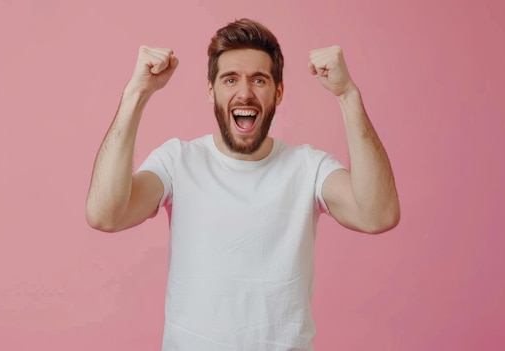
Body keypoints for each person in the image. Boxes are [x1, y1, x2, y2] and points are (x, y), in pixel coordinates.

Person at [86, 18, 399, 351]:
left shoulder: (308, 167)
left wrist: (347, 94)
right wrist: (136, 93)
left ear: (278, 92)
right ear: (212, 90)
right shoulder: (178, 161)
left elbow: (377, 215)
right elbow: (106, 215)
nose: (245, 92)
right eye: (230, 79)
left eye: (259, 79)